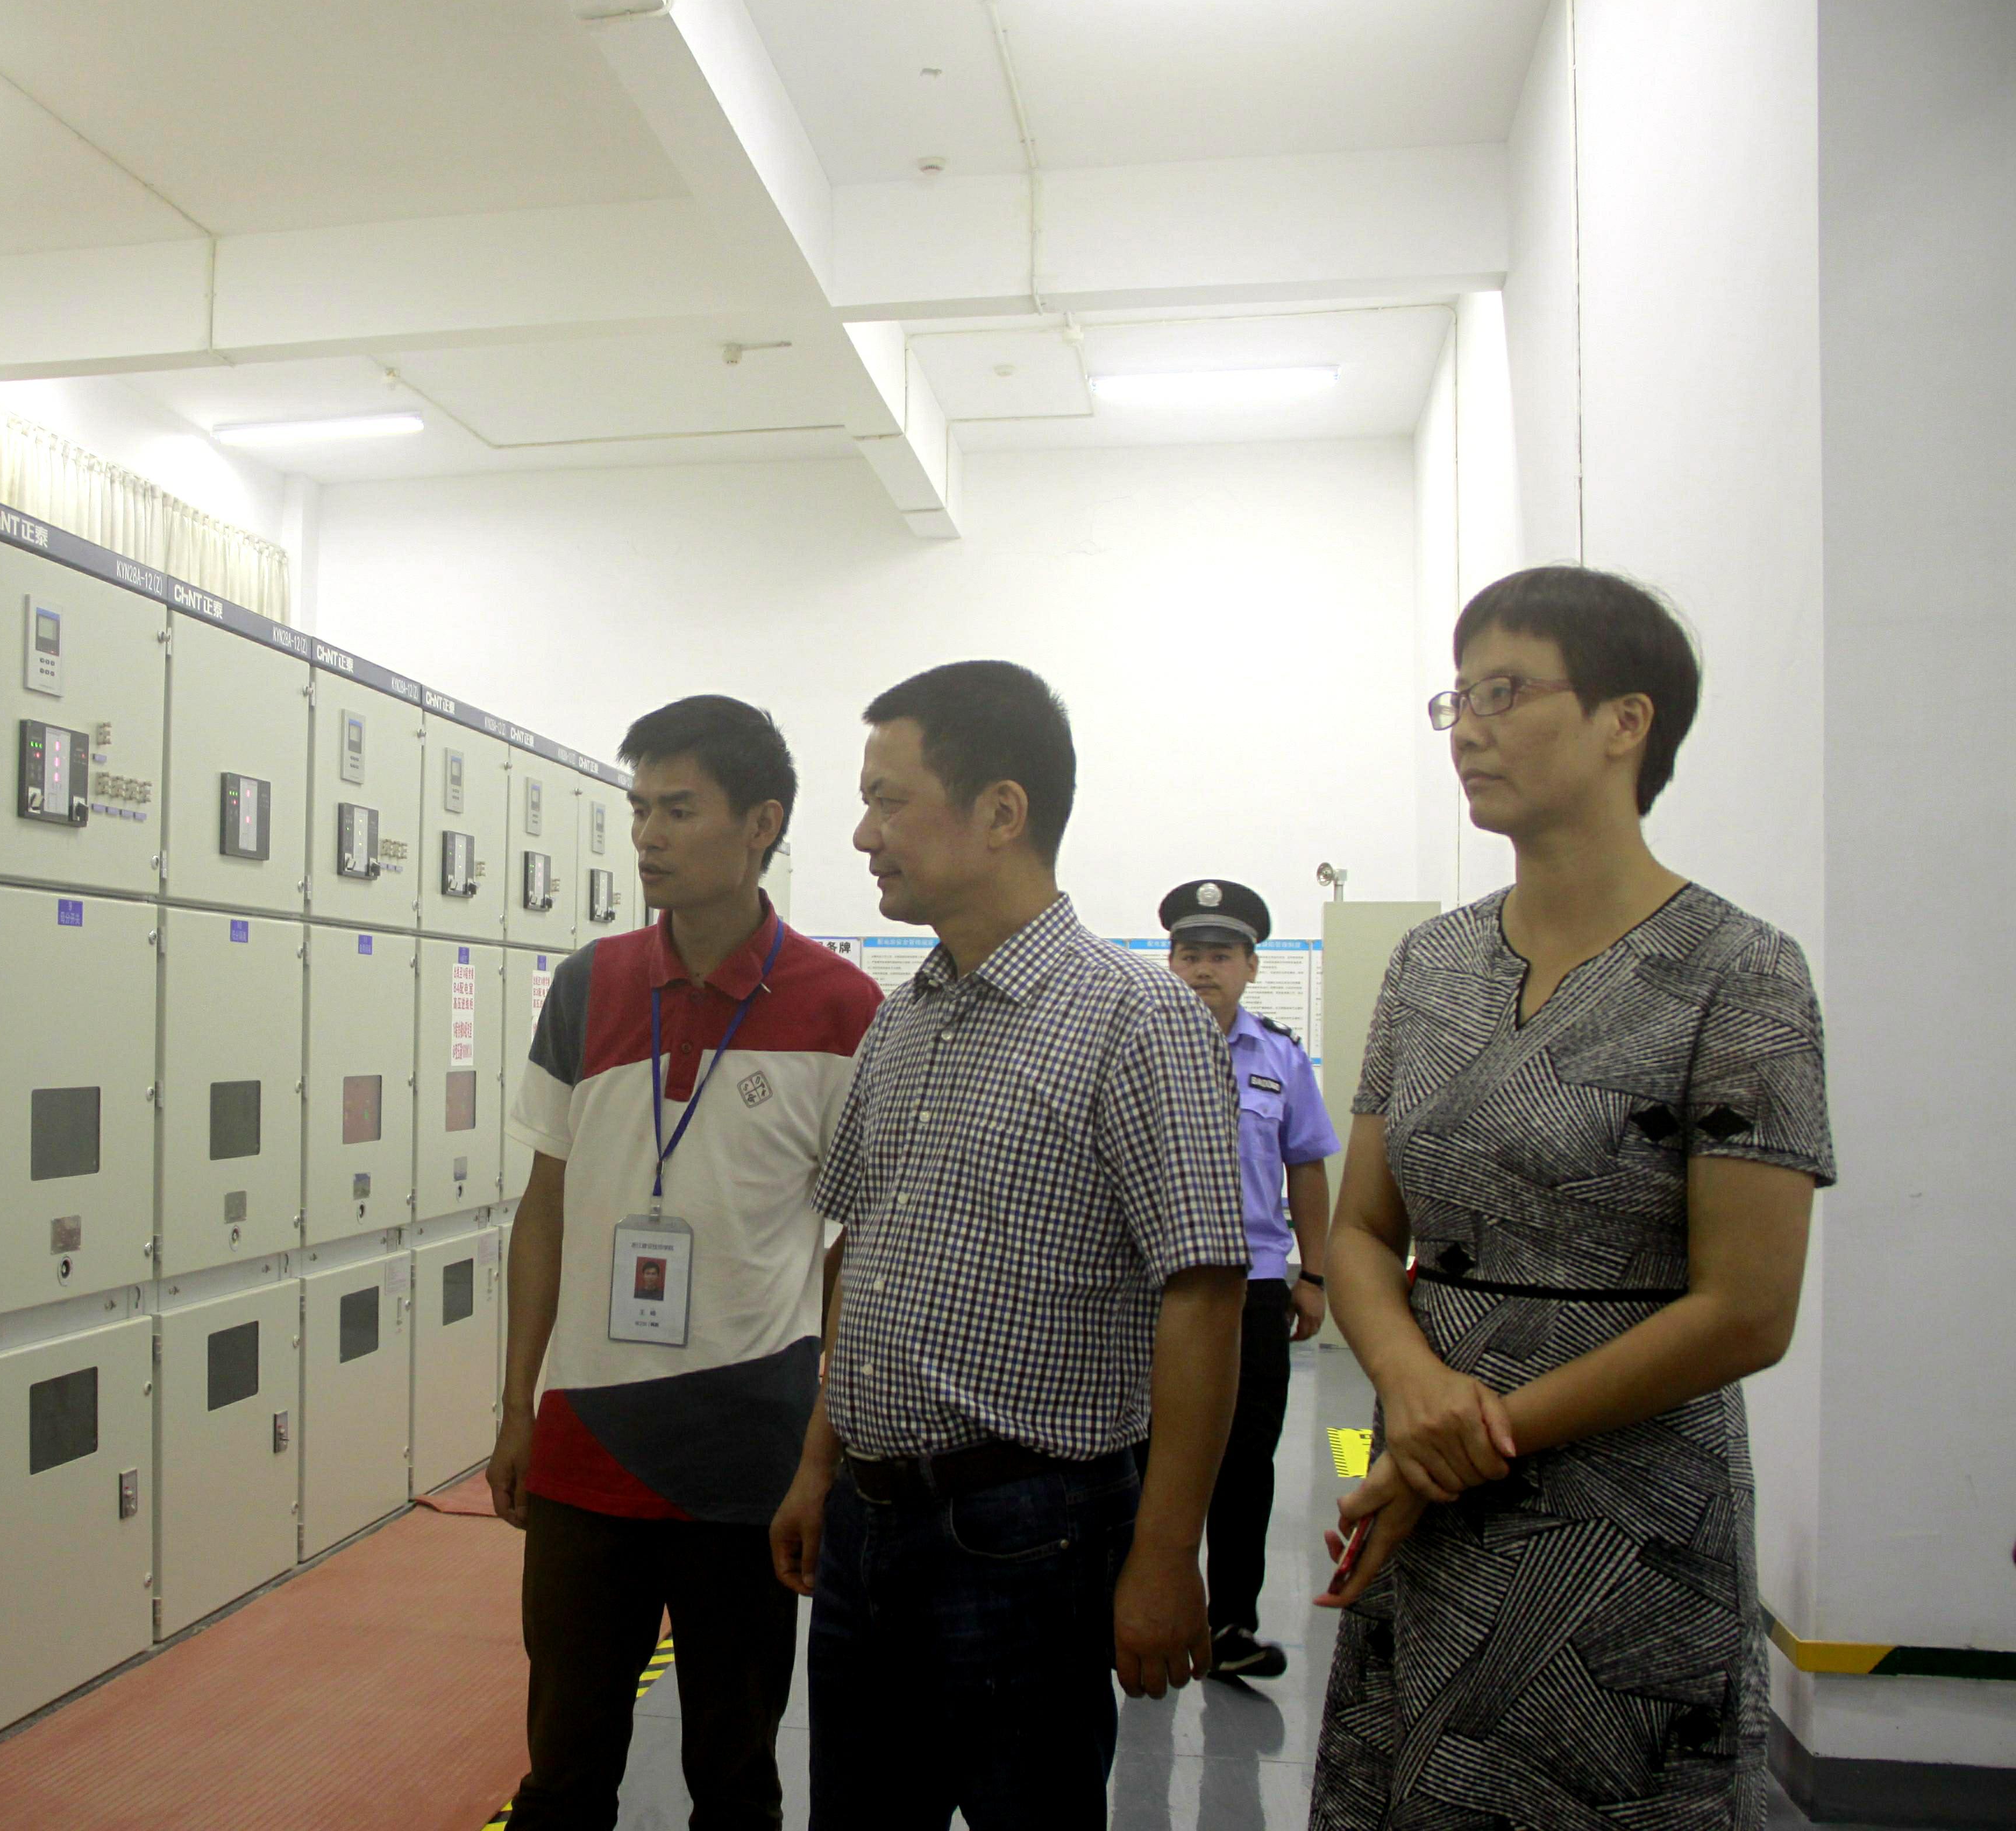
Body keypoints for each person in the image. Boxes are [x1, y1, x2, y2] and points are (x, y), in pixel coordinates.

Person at [1311, 567, 1834, 1831]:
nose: (1469, 729)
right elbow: (1364, 1230)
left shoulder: (1741, 973)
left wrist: (1472, 1439)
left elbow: (1748, 1309)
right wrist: (1415, 1395)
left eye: (1505, 691)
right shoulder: (1431, 966)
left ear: (1625, 722)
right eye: (1458, 700)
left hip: (1625, 1517)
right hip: (1427, 1483)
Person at [770, 660, 1249, 1829]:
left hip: (1028, 1536)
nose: (864, 835)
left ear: (1000, 811)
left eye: (888, 800)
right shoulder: (904, 1018)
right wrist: (821, 1465)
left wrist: (1165, 1556)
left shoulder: (1139, 1020)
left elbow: (1203, 1297)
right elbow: (862, 1252)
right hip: (867, 1523)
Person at [492, 694, 880, 1831]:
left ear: (762, 824)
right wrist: (514, 1405)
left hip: (751, 1454)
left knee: (735, 1778)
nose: (648, 837)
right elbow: (546, 1206)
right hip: (585, 1443)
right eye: (638, 810)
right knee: (563, 1775)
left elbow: (860, 1246)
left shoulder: (844, 1008)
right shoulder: (589, 986)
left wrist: (825, 1452)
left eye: (678, 809)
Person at [1157, 877, 1339, 1681]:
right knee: (1137, 1455)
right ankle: (1130, 1613)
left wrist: (1315, 1276)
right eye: (1190, 954)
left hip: (1254, 1286)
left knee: (1245, 1459)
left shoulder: (1280, 1058)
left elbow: (1307, 1168)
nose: (1205, 968)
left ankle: (1229, 1624)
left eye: (1222, 955)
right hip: (1156, 1285)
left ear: (1251, 967)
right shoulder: (1140, 1045)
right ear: (1170, 962)